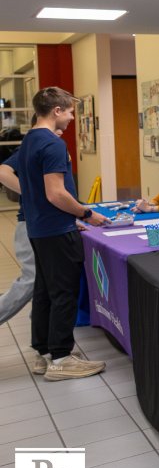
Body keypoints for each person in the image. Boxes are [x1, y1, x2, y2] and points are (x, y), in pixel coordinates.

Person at [14, 87, 110, 381]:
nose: (71, 118)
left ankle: (43, 353)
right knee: (64, 293)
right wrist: (86, 213)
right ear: (56, 110)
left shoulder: (29, 140)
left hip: (39, 228)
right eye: (69, 112)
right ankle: (61, 358)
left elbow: (34, 191)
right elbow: (56, 193)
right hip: (56, 231)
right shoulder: (53, 144)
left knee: (44, 291)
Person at [0, 124, 64, 348]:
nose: (62, 132)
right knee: (31, 280)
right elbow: (3, 170)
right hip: (31, 223)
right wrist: (30, 191)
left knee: (43, 287)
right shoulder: (34, 147)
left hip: (46, 224)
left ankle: (42, 345)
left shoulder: (52, 148)